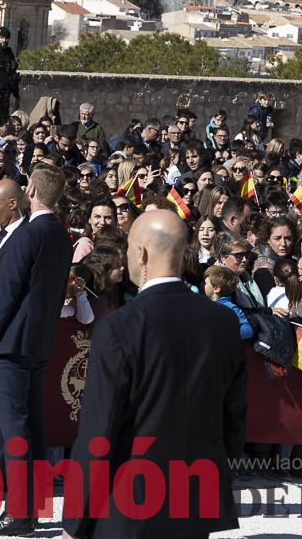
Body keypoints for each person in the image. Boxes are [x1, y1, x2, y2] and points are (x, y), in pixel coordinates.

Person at [63, 210, 246, 539]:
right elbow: (234, 413)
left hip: (130, 503)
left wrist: (75, 519)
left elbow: (98, 430)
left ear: (141, 253)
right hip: (195, 495)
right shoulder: (223, 322)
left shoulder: (119, 327)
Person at [0, 166, 72, 536]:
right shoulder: (61, 236)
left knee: (16, 428)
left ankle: (19, 513)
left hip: (13, 343)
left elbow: (7, 292)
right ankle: (30, 509)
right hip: (40, 343)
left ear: (30, 189)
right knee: (33, 426)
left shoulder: (28, 235)